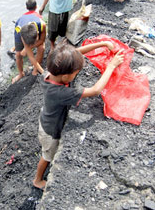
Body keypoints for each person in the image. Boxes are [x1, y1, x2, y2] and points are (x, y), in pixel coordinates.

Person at [32, 40, 124, 190]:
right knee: (47, 155)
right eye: (76, 74)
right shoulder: (60, 92)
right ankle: (37, 179)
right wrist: (112, 66)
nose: (76, 75)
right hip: (50, 131)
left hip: (47, 118)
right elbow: (95, 90)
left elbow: (76, 53)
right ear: (66, 77)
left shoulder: (51, 72)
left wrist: (102, 44)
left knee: (47, 151)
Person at [12, 0, 46, 83]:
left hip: (34, 28)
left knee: (41, 47)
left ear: (37, 33)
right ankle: (21, 73)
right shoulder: (20, 32)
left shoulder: (42, 24)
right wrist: (25, 49)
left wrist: (43, 73)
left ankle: (35, 69)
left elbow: (41, 40)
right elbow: (31, 56)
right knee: (18, 54)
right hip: (20, 29)